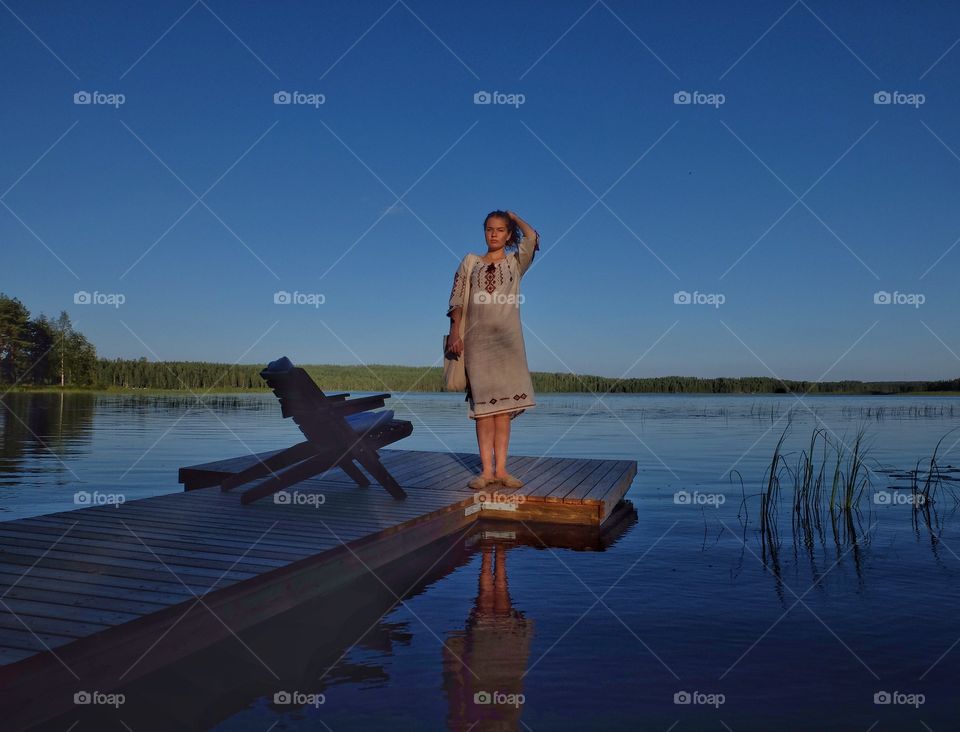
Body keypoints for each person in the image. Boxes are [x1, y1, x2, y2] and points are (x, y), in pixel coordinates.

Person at [446, 209, 539, 490]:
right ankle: (486, 472)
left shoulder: (515, 263)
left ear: (509, 235)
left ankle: (502, 470)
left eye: (500, 229)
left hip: (508, 344)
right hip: (477, 343)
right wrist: (455, 331)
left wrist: (514, 216)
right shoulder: (470, 262)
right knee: (484, 412)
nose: (494, 234)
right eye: (489, 229)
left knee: (503, 411)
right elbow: (456, 298)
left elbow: (532, 237)